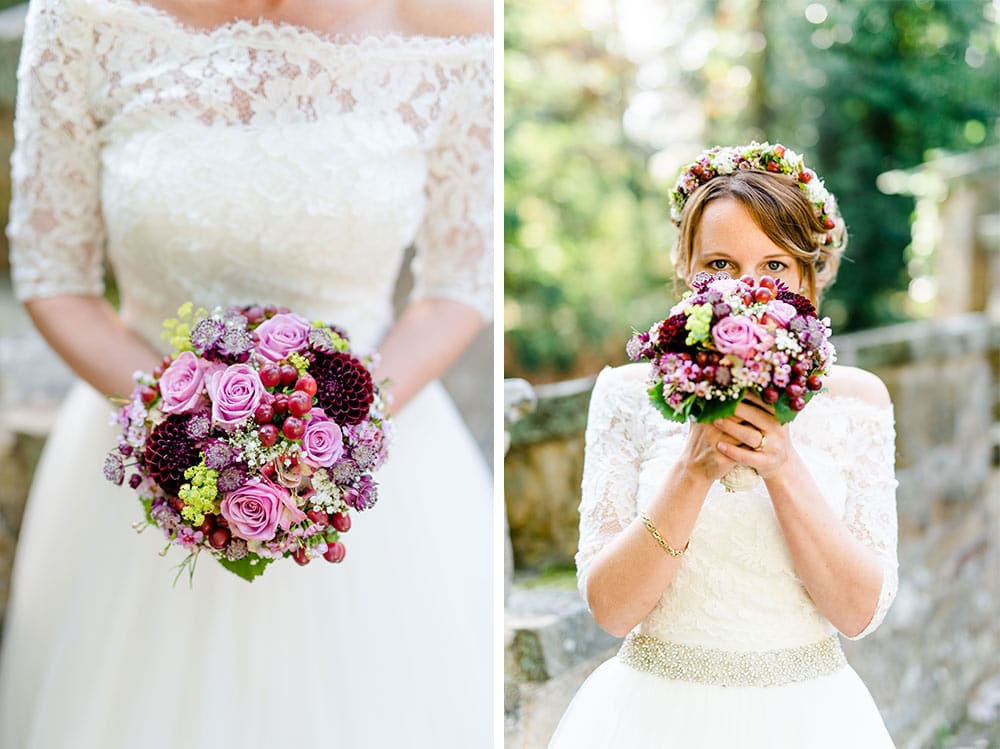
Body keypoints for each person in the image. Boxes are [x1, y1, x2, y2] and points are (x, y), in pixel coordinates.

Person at [0, 0, 493, 747]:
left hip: (372, 468)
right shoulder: (81, 16)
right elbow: (49, 270)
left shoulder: (457, 26)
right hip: (142, 466)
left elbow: (461, 278)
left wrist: (335, 427)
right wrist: (186, 425)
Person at [548, 142, 898, 748]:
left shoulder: (858, 402)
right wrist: (692, 469)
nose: (746, 289)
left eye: (775, 266)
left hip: (808, 720)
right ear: (686, 270)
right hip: (650, 719)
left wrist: (783, 466)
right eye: (718, 264)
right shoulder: (627, 395)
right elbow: (610, 611)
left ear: (811, 279)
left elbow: (857, 613)